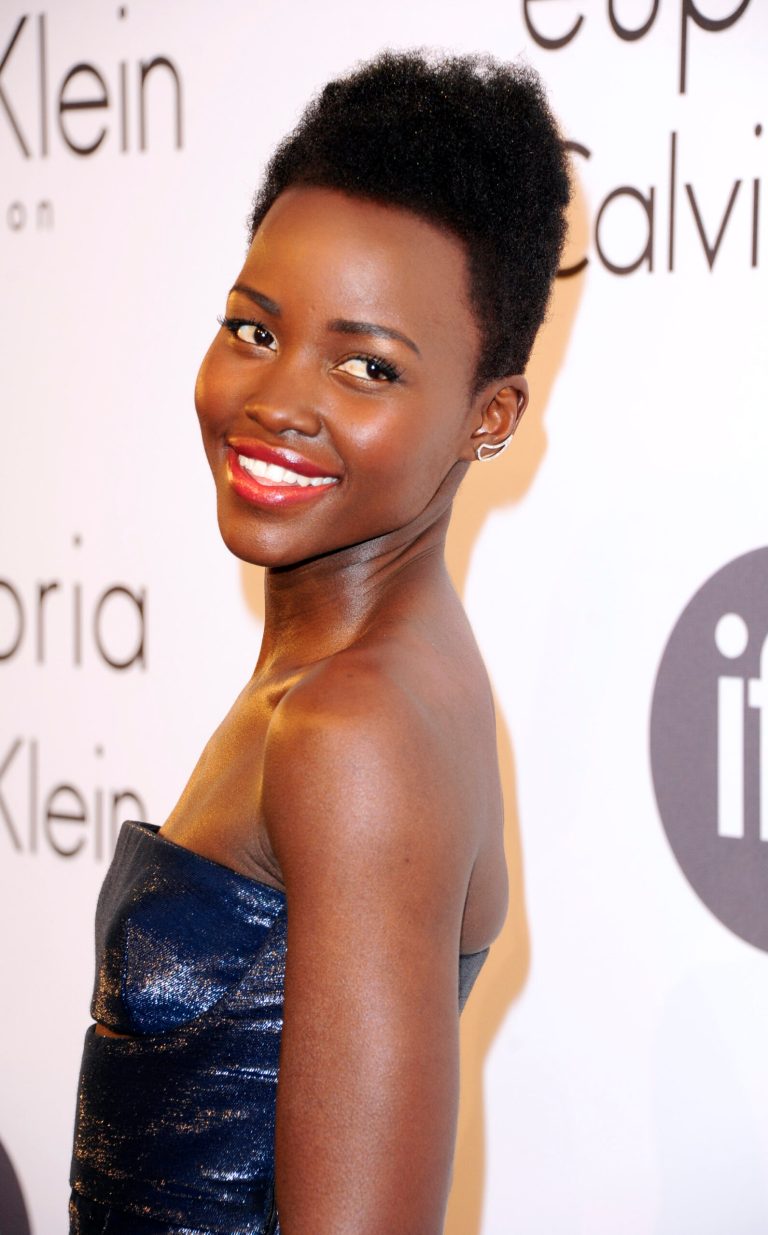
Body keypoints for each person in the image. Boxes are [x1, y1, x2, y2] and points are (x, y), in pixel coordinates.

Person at [68, 48, 570, 1235]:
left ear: (487, 415)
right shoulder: (361, 667)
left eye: (366, 365)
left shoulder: (355, 725)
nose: (277, 398)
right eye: (254, 327)